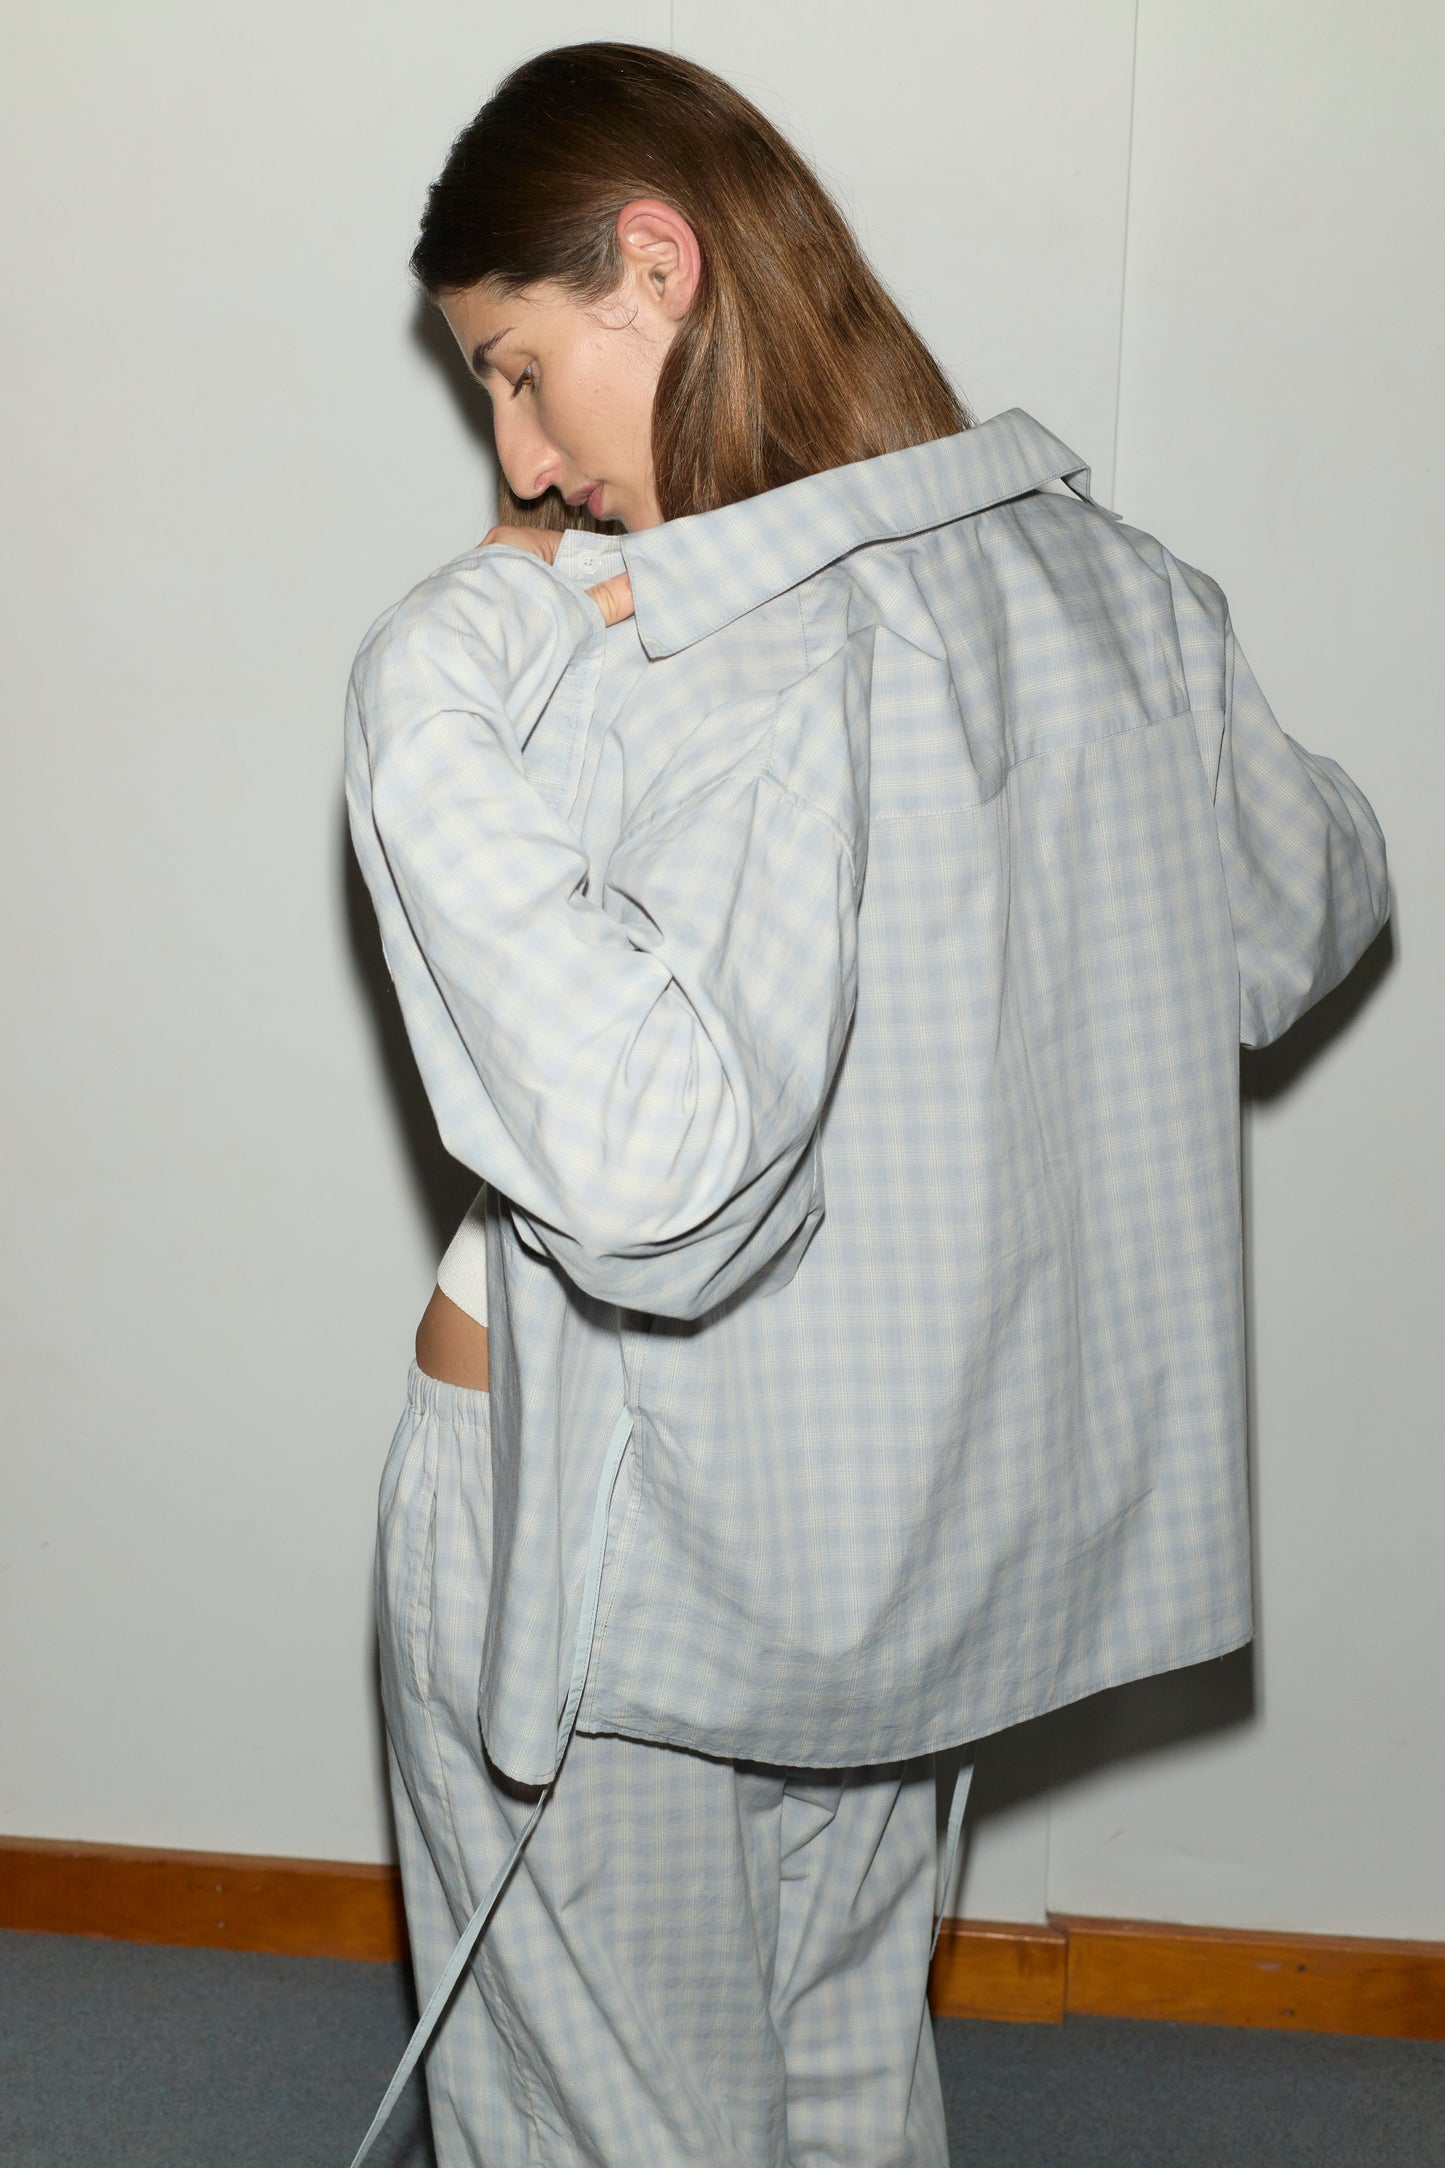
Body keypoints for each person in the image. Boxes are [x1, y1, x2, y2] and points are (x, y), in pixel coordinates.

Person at [343, 40, 1389, 2168]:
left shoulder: (709, 654)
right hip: (900, 1537)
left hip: (611, 1537)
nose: (520, 461)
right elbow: (1309, 906)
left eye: (520, 369)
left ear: (657, 264)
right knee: (837, 2088)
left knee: (600, 2119)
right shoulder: (1102, 585)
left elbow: (652, 1186)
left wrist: (425, 678)